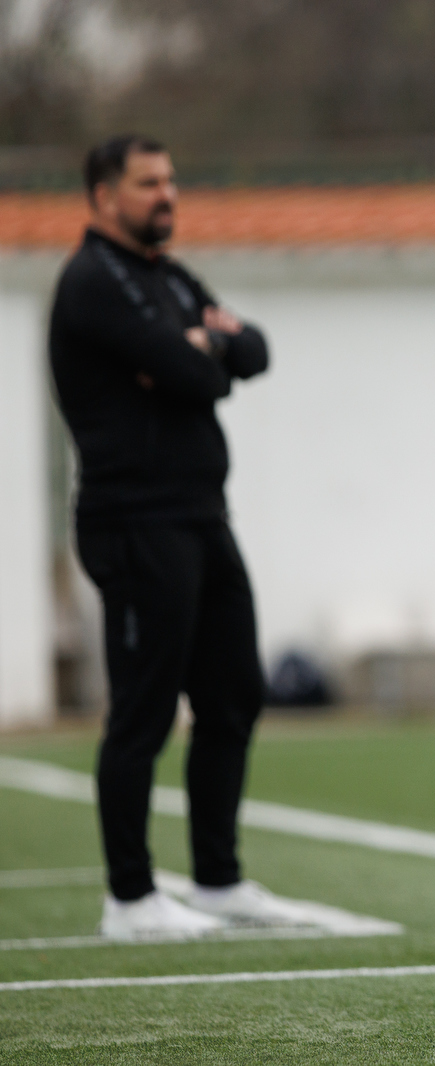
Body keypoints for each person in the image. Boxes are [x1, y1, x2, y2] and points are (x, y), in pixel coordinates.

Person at [49, 134, 308, 939]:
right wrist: (202, 351)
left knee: (232, 696)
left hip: (202, 516)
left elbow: (252, 350)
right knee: (144, 712)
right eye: (148, 182)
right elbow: (199, 373)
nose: (167, 194)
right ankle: (129, 899)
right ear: (103, 196)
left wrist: (209, 347)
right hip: (134, 524)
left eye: (170, 180)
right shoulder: (94, 283)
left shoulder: (167, 277)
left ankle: (219, 881)